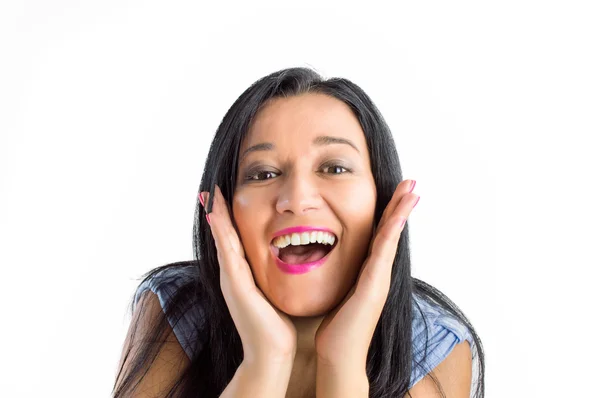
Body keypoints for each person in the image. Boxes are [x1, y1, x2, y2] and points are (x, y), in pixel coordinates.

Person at [112, 67, 485, 398]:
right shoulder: (178, 311)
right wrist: (265, 363)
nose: (296, 199)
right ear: (223, 207)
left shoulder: (434, 345)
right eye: (262, 174)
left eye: (335, 168)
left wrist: (342, 365)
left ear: (382, 200)